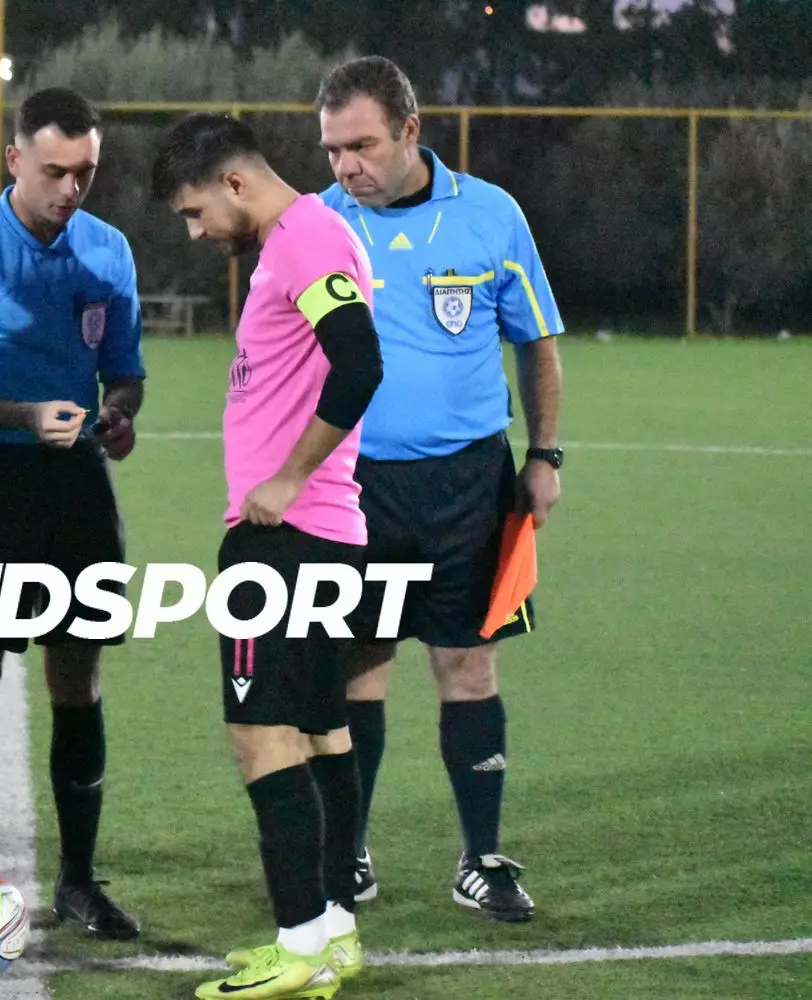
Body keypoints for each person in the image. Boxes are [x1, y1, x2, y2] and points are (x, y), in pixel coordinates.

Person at [315, 55, 564, 922]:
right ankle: (346, 852)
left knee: (468, 663)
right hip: (354, 488)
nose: (346, 166)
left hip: (469, 484)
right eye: (332, 150)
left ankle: (481, 858)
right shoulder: (317, 224)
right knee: (358, 668)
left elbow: (536, 341)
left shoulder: (491, 215)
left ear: (411, 131)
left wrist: (545, 456)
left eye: (362, 146)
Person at [152, 113, 384, 1000]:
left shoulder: (305, 240)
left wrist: (287, 478)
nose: (196, 231)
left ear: (235, 183)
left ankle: (297, 945)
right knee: (322, 728)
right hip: (325, 535)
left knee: (261, 735)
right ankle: (332, 935)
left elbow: (359, 364)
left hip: (288, 539)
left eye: (195, 211)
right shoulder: (299, 241)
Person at [0, 87, 145, 941]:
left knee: (79, 680)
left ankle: (79, 881)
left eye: (85, 172)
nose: (71, 187)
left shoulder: (108, 250)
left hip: (78, 487)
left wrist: (116, 414)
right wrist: (22, 416)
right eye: (54, 170)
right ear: (15, 160)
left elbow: (126, 371)